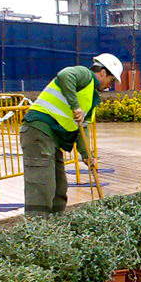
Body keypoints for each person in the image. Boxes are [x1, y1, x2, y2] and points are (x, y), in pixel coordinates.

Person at [19, 53, 123, 215]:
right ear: (103, 72)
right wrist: (75, 106)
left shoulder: (91, 96)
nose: (110, 85)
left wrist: (87, 155)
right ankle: (37, 228)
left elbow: (83, 127)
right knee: (42, 185)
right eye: (111, 80)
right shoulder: (85, 75)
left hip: (52, 138)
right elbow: (65, 75)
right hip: (38, 131)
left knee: (59, 187)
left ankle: (56, 224)